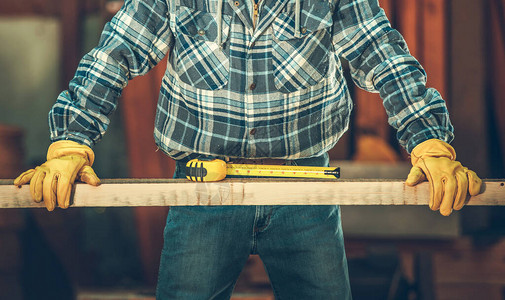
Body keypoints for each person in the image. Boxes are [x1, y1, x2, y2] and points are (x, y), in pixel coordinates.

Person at [14, 0, 482, 298]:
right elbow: (112, 56)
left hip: (304, 192)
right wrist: (71, 140)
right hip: (201, 190)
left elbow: (384, 55)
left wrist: (430, 141)